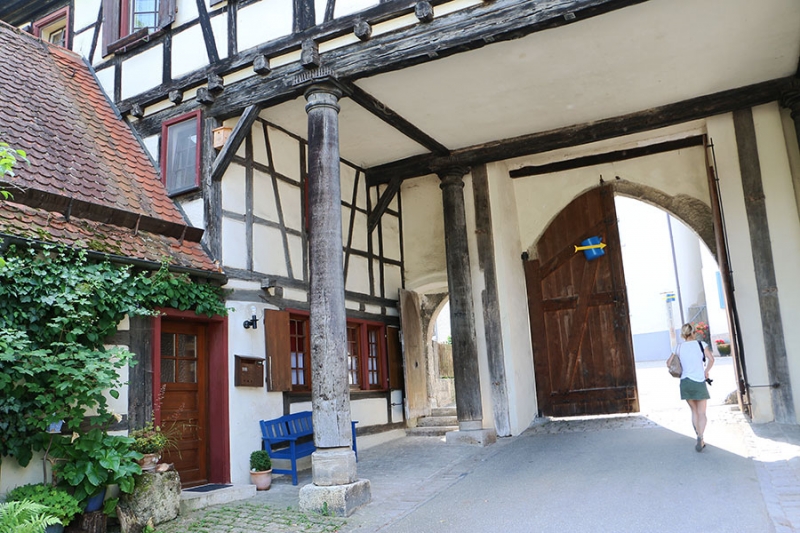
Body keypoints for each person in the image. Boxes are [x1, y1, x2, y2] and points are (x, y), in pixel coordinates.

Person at [676, 323, 714, 452]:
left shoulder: (678, 347)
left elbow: (669, 363)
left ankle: (697, 435)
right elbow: (711, 359)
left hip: (685, 382)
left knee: (694, 411)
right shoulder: (700, 344)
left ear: (683, 334)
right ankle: (701, 437)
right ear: (693, 333)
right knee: (702, 412)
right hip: (699, 381)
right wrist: (706, 371)